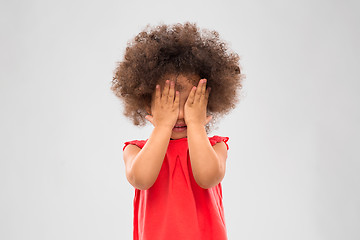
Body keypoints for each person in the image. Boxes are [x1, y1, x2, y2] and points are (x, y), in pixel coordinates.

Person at [111, 21, 245, 240]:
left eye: (190, 104)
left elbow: (207, 177)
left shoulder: (215, 147)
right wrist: (163, 125)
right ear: (148, 104)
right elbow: (142, 179)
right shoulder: (135, 151)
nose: (181, 115)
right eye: (169, 104)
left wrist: (196, 125)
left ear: (206, 103)